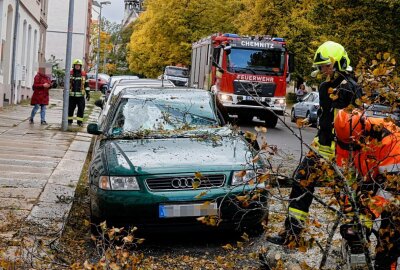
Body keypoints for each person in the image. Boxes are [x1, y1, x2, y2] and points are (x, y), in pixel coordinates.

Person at [267, 41, 363, 245]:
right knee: (301, 181)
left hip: (345, 154)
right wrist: (314, 120)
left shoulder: (351, 89)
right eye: (320, 67)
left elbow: (350, 125)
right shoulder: (325, 87)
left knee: (348, 198)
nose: (322, 71)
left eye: (325, 66)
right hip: (323, 148)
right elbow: (328, 118)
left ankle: (356, 243)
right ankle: (291, 234)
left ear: (337, 63)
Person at [334, 109, 400, 269]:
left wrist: (368, 212)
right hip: (372, 178)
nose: (350, 148)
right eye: (346, 144)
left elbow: (391, 189)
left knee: (389, 237)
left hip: (395, 186)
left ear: (364, 130)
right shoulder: (345, 139)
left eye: (354, 144)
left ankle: (384, 265)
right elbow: (345, 176)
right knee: (356, 226)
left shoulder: (390, 138)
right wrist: (348, 205)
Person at [68, 59, 90, 127]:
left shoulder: (84, 74)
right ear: (73, 66)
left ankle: (79, 122)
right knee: (70, 109)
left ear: (80, 66)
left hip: (80, 96)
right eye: (76, 65)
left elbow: (86, 84)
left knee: (81, 109)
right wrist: (65, 93)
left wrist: (88, 93)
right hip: (71, 95)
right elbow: (66, 84)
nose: (77, 66)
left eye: (78, 65)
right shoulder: (70, 73)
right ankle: (69, 121)